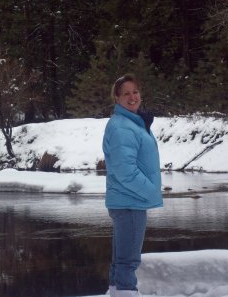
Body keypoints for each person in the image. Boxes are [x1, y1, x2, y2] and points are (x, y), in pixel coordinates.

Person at [102, 74, 163, 297]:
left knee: (122, 257)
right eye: (126, 93)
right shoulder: (122, 127)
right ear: (116, 98)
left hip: (127, 200)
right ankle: (126, 292)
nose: (132, 97)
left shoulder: (133, 123)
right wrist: (150, 191)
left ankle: (117, 291)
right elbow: (124, 170)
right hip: (130, 201)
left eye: (135, 92)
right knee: (128, 259)